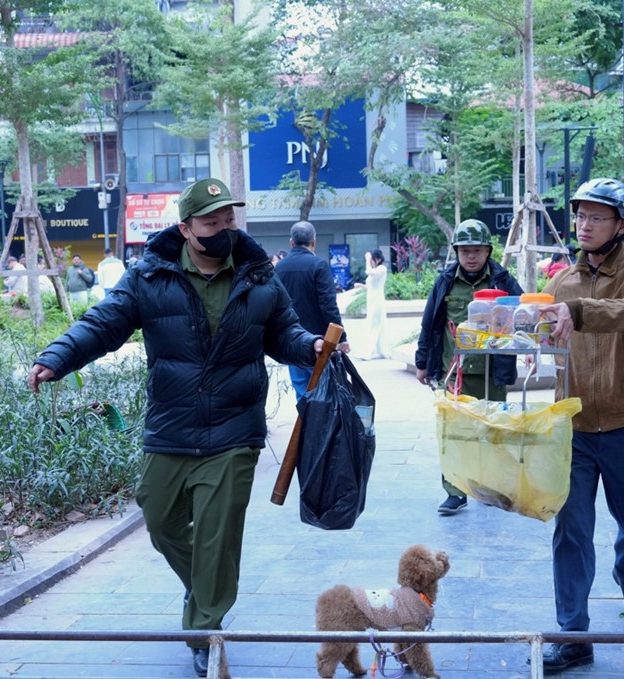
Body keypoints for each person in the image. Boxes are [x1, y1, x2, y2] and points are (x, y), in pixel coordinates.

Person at [26, 178, 324, 678]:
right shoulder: (150, 276)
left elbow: (284, 332)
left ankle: (206, 629)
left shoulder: (257, 276)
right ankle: (204, 586)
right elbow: (103, 323)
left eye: (229, 219)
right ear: (186, 228)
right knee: (160, 516)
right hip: (172, 423)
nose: (224, 229)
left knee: (217, 533)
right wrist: (58, 356)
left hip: (235, 427)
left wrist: (310, 345)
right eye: (211, 222)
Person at [533, 178, 624, 673]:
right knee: (571, 530)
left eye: (596, 217)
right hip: (576, 427)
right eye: (580, 216)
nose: (584, 225)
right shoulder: (560, 281)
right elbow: (537, 327)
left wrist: (578, 311)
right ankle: (574, 635)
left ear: (622, 225)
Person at [414, 219, 522, 515]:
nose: (471, 256)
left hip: (492, 372)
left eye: (477, 250)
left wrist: (529, 349)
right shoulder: (445, 282)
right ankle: (455, 491)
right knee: (455, 434)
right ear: (457, 252)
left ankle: (492, 489)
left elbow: (523, 316)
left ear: (488, 251)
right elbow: (429, 324)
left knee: (493, 431)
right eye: (465, 251)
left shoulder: (503, 280)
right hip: (454, 373)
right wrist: (422, 363)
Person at [275, 221, 349, 399]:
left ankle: (306, 425)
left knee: (303, 394)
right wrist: (342, 338)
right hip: (320, 342)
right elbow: (328, 306)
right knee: (325, 394)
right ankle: (321, 427)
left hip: (293, 341)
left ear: (291, 242)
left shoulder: (279, 268)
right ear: (314, 242)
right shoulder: (318, 265)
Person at [357, 248, 389, 360]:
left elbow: (369, 272)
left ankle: (366, 352)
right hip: (372, 301)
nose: (370, 261)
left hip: (377, 301)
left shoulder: (382, 269)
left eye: (372, 259)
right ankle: (382, 351)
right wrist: (361, 286)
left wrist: (367, 259)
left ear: (378, 259)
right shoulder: (376, 270)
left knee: (372, 325)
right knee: (377, 324)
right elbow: (372, 287)